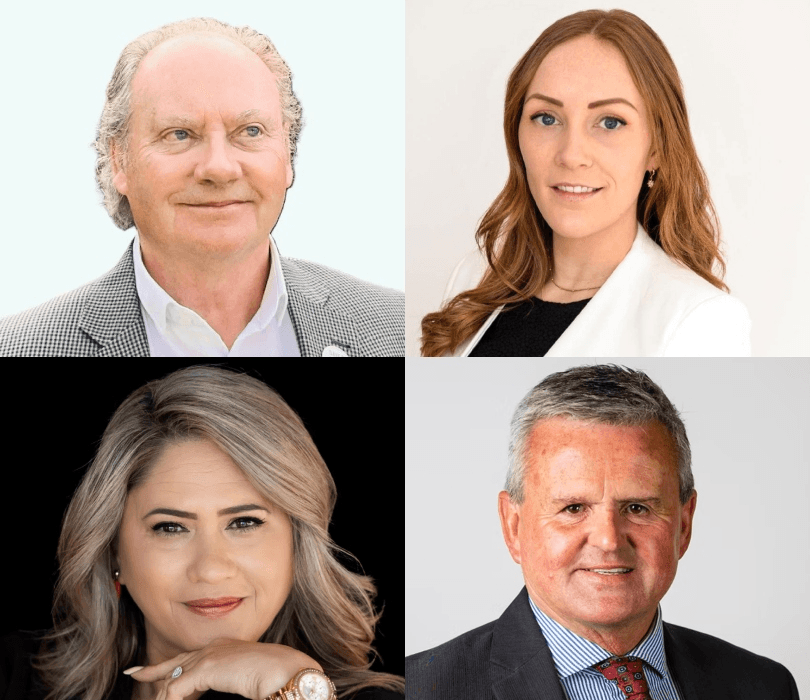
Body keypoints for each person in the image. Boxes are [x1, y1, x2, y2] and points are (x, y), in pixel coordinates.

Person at [0, 18, 404, 357]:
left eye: (250, 131)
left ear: (287, 153)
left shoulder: (395, 329)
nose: (219, 168)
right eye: (179, 134)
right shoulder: (22, 348)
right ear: (119, 159)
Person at [0, 366, 404, 700]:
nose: (210, 569)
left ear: (297, 543)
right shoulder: (15, 675)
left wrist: (294, 690)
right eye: (170, 527)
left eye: (244, 522)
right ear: (113, 551)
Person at [405, 365, 798, 698]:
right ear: (513, 526)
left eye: (638, 508)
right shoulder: (418, 689)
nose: (609, 540)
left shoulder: (764, 686)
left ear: (683, 524)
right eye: (573, 508)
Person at [420, 9, 750, 357]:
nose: (571, 155)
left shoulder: (699, 320)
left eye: (610, 122)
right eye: (546, 118)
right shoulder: (473, 278)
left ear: (656, 148)